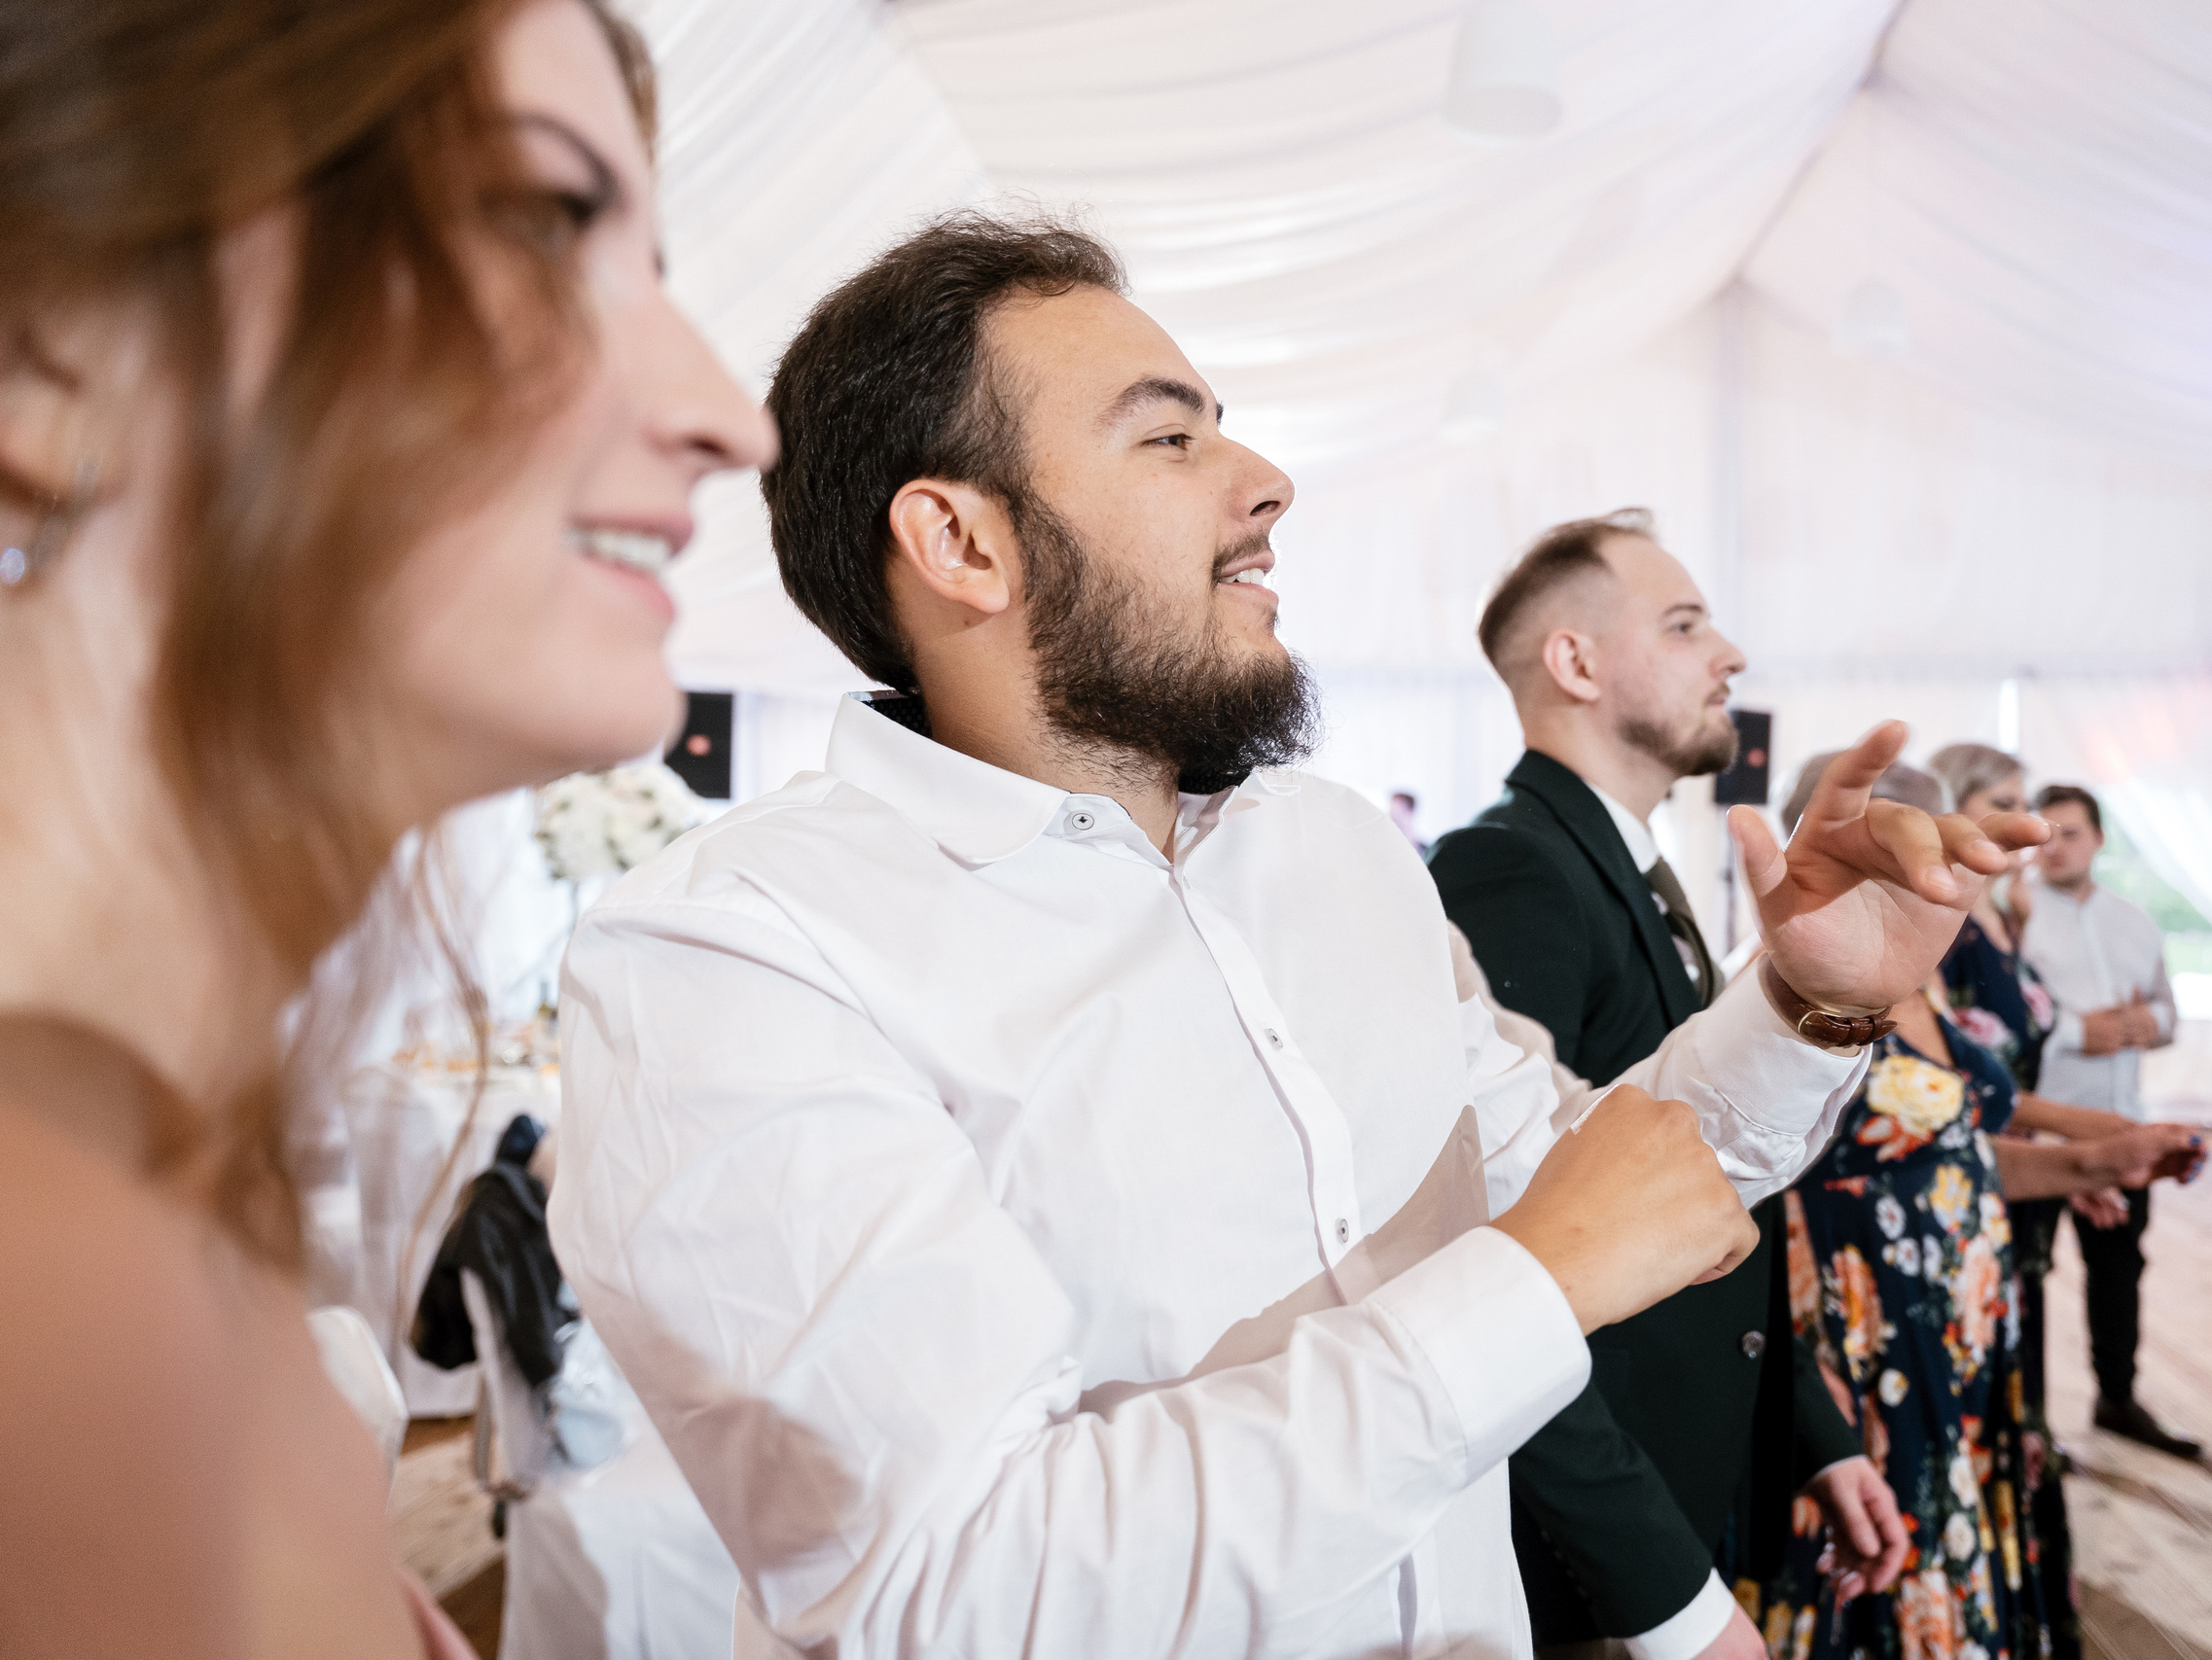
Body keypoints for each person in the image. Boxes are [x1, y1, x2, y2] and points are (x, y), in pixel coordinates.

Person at [549, 212, 2045, 1660]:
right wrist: (1526, 1288)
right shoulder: (737, 955)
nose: (1266, 483)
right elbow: (950, 1591)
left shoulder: (1333, 849)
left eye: (1227, 427)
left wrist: (1805, 1007)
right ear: (960, 538)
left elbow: (1600, 1171)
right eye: (1171, 437)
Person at [0, 1, 776, 1653]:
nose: (730, 413)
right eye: (541, 222)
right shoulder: (46, 1271)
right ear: (49, 336)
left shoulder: (163, 1186)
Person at [1430, 512, 1919, 1660]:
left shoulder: (1629, 868)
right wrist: (1650, 1589)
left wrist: (1813, 1432)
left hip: (1685, 1460)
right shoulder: (1513, 869)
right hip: (1583, 1536)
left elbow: (1708, 1185)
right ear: (1576, 661)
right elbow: (1492, 1243)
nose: (1730, 656)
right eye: (1686, 623)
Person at [1759, 763, 2206, 1660]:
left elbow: (1954, 1155)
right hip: (1870, 1329)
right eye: (1940, 836)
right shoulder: (1801, 981)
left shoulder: (1917, 981)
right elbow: (1768, 1176)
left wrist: (2093, 1156)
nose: (1962, 859)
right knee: (1881, 1567)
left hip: (1961, 1319)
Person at [2019, 782, 2198, 1459]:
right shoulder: (2016, 915)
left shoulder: (2134, 920)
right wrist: (2076, 1031)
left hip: (2123, 1127)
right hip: (2035, 1131)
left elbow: (2168, 1012)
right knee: (2025, 1277)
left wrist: (2140, 1023)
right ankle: (2029, 1420)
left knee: (2120, 1269)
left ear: (2098, 840)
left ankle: (2117, 1398)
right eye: (2047, 833)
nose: (2058, 846)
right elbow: (2003, 1018)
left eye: (2072, 832)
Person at [1926, 743, 2062, 1411]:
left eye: (2025, 804)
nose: (2022, 821)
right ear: (1954, 810)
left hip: (2027, 1153)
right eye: (2001, 805)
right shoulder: (1943, 926)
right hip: (1976, 1158)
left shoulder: (2005, 915)